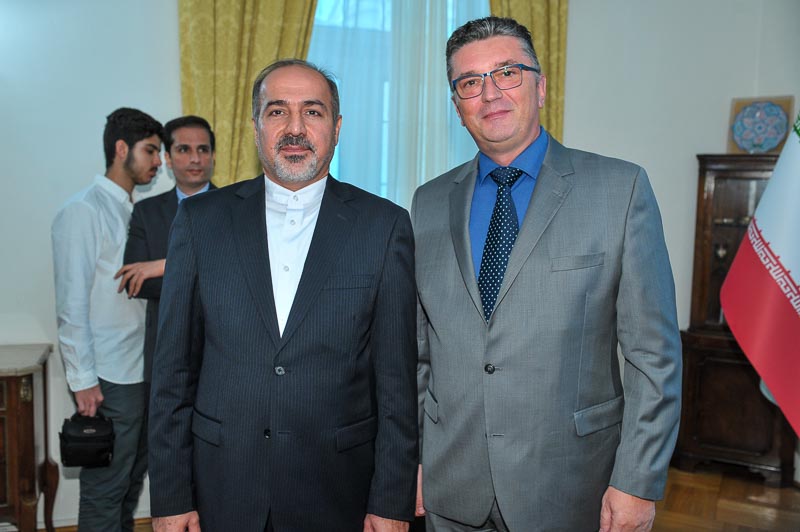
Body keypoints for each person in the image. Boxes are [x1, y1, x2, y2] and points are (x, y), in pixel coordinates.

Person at [412, 17, 681, 532]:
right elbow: (421, 354)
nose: (490, 93)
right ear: (457, 106)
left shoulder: (619, 190)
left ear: (540, 87)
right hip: (452, 483)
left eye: (507, 73)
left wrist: (637, 481)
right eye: (470, 82)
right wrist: (418, 457)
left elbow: (653, 356)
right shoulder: (428, 203)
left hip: (570, 486)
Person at [148, 59, 418, 532]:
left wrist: (391, 502)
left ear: (336, 128)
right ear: (256, 127)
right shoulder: (200, 221)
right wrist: (170, 497)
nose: (295, 128)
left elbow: (396, 382)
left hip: (338, 491)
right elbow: (173, 372)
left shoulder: (384, 225)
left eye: (312, 112)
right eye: (277, 112)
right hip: (223, 488)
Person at [51, 107, 163, 530]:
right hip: (109, 374)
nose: (158, 161)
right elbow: (71, 303)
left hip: (140, 368)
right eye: (150, 150)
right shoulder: (84, 211)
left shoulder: (136, 212)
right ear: (121, 149)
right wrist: (83, 381)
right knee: (106, 487)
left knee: (131, 480)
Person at [115, 115, 217, 383]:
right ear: (168, 159)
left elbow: (240, 278)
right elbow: (136, 283)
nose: (195, 159)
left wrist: (163, 266)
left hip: (223, 355)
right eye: (184, 149)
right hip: (165, 354)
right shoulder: (146, 212)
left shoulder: (237, 209)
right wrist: (209, 273)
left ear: (213, 156)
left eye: (203, 149)